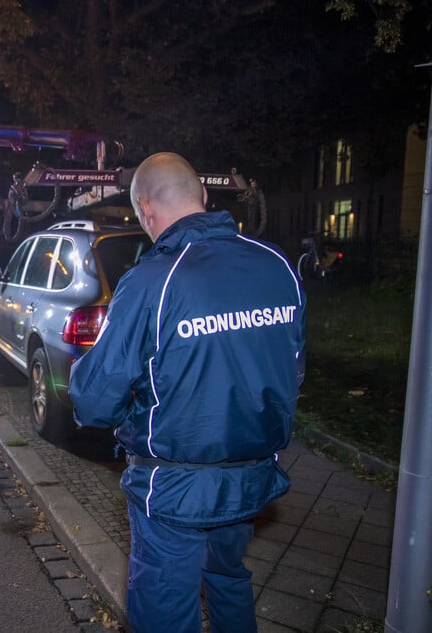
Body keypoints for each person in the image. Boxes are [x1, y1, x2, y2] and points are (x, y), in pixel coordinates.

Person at [69, 152, 306, 633]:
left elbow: (93, 400)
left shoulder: (151, 282)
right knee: (228, 577)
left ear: (145, 211)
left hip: (172, 489)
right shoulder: (276, 266)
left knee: (164, 605)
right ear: (201, 197)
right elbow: (291, 368)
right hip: (252, 476)